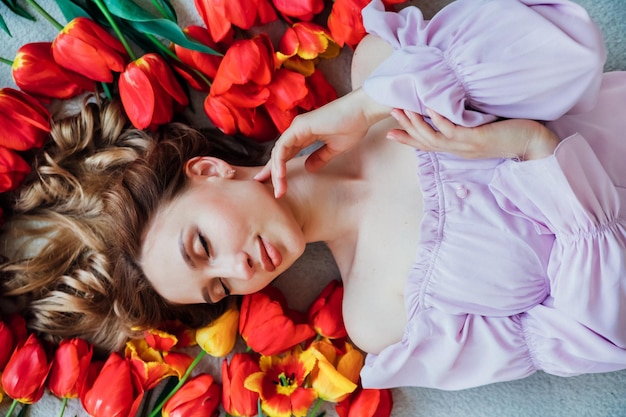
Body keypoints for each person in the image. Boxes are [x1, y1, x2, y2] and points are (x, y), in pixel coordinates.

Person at [1, 0, 623, 390]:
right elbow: (599, 338)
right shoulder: (382, 321)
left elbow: (571, 45)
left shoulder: (383, 73)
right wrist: (534, 149)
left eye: (201, 246)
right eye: (218, 288)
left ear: (210, 170)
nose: (238, 271)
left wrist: (373, 103)